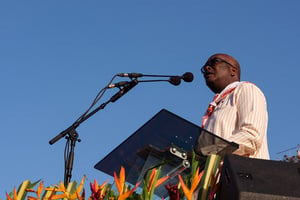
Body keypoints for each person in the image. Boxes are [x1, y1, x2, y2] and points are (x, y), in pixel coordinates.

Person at [198, 53, 269, 159]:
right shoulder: (215, 106)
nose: (207, 67)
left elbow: (252, 136)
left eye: (215, 62)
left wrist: (207, 153)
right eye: (204, 68)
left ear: (233, 70)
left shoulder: (246, 89)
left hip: (242, 172)